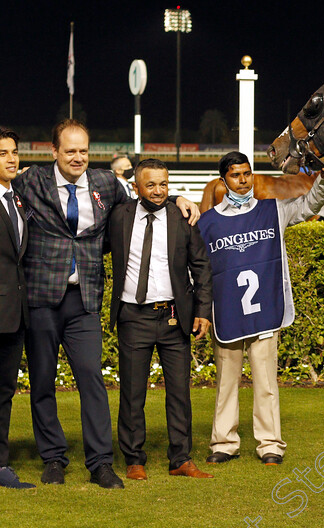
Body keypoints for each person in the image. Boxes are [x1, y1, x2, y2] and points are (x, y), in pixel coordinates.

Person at [11, 119, 199, 489]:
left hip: (84, 301)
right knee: (43, 384)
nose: (78, 157)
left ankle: (100, 463)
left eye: (83, 150)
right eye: (70, 151)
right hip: (40, 300)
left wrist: (177, 198)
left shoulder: (104, 183)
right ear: (54, 152)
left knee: (92, 381)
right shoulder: (30, 181)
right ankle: (53, 459)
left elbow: (142, 203)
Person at [199, 151, 324, 465]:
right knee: (225, 384)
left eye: (247, 173)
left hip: (265, 311)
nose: (243, 180)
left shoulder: (273, 210)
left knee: (266, 383)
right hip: (226, 314)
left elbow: (308, 205)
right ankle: (224, 443)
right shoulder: (207, 223)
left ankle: (270, 444)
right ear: (224, 180)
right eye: (235, 175)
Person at [108, 158, 213, 480]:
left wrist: (202, 312)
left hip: (173, 318)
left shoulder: (182, 217)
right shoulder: (118, 216)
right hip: (132, 317)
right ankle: (134, 459)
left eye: (163, 184)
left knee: (180, 393)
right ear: (137, 187)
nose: (157, 190)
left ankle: (180, 459)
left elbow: (201, 267)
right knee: (132, 394)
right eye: (150, 184)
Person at [0, 129, 34, 489]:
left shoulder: (18, 198)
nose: (11, 159)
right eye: (2, 153)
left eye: (14, 152)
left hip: (14, 314)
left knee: (4, 392)